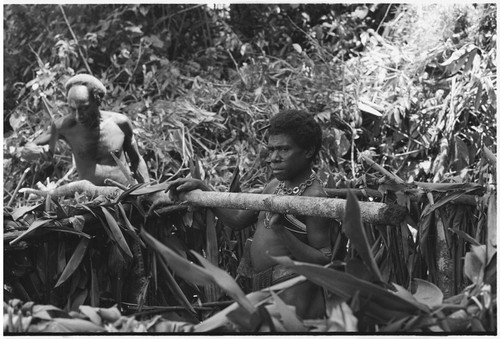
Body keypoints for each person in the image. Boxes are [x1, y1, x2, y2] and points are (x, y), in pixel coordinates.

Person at [167, 109, 333, 319]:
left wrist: (282, 231)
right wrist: (203, 188)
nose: (273, 158)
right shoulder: (274, 185)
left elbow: (324, 261)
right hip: (262, 285)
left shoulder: (315, 196)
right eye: (271, 149)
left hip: (294, 289)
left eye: (283, 149)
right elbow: (237, 220)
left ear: (308, 151)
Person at [21, 74, 149, 186]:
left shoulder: (120, 123)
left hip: (125, 193)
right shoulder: (63, 126)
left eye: (83, 109)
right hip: (92, 201)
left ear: (97, 101)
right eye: (72, 109)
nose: (77, 116)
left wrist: (147, 189)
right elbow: (26, 151)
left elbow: (136, 160)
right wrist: (36, 151)